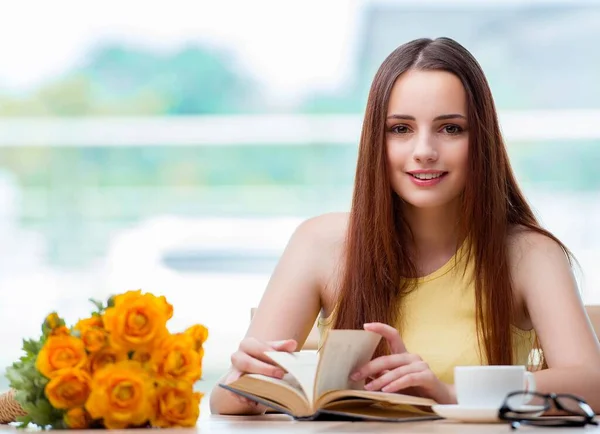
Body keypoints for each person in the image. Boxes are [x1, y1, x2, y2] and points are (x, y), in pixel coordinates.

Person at [209, 37, 600, 415]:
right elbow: (223, 401)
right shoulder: (319, 244)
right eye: (400, 129)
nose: (424, 151)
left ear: (481, 139)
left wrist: (449, 394)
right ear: (375, 142)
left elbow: (592, 383)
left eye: (450, 128)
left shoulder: (530, 254)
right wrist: (246, 381)